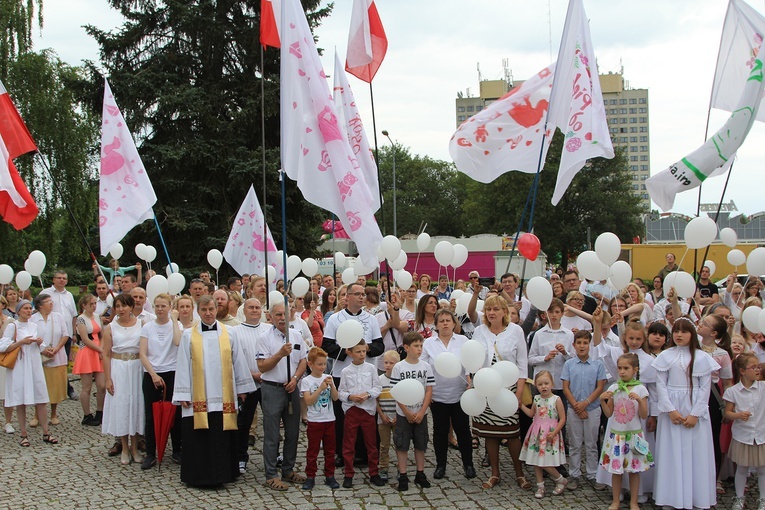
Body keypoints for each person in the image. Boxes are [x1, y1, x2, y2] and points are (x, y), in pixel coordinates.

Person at [173, 295, 256, 486]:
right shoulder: (188, 335)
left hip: (224, 395)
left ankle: (224, 473)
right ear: (198, 311)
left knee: (222, 435)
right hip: (197, 396)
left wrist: (242, 388)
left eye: (211, 309)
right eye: (204, 310)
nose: (208, 313)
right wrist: (183, 394)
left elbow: (238, 361)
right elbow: (183, 364)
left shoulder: (229, 333)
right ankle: (198, 475)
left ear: (216, 309)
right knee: (199, 438)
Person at [652, 317, 719, 510]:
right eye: (676, 331)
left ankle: (696, 497)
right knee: (671, 453)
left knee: (695, 454)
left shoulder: (701, 357)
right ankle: (671, 497)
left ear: (692, 334)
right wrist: (671, 410)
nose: (679, 335)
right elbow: (660, 386)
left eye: (684, 331)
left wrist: (695, 414)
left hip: (693, 410)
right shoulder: (666, 355)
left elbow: (705, 389)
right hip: (671, 411)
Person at [322, 282, 384, 467]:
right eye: (356, 294)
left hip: (366, 374)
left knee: (366, 416)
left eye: (362, 294)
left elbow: (379, 346)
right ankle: (343, 453)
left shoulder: (370, 319)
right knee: (344, 418)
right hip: (344, 373)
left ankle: (366, 454)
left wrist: (366, 348)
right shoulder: (335, 319)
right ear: (347, 296)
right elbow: (327, 346)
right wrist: (347, 351)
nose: (360, 297)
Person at [471, 295, 529, 490]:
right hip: (486, 388)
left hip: (508, 389)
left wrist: (519, 393)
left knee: (512, 433)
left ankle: (519, 473)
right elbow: (473, 360)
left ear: (505, 311)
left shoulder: (516, 331)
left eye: (496, 309)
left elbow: (522, 364)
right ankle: (495, 473)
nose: (492, 312)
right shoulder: (479, 331)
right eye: (488, 309)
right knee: (490, 433)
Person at [255, 301, 307, 491]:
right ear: (271, 316)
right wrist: (279, 354)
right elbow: (262, 366)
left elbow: (303, 360)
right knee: (272, 433)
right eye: (277, 315)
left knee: (293, 432)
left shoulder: (296, 335)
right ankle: (271, 474)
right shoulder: (264, 337)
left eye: (284, 314)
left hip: (292, 388)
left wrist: (295, 378)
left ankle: (288, 469)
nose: (281, 318)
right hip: (272, 388)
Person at [420, 309, 476, 481]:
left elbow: (469, 362)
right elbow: (423, 367)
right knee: (440, 431)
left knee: (463, 430)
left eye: (448, 320)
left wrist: (469, 379)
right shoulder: (429, 343)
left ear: (454, 323)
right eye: (441, 321)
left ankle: (468, 464)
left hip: (460, 393)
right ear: (436, 325)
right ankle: (440, 465)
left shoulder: (462, 340)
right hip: (438, 394)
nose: (445, 323)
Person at [599, 353, 654, 510]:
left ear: (635, 370)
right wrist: (603, 400)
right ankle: (616, 500)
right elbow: (609, 413)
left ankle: (634, 501)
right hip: (617, 436)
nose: (622, 372)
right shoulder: (614, 388)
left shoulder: (640, 389)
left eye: (626, 368)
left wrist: (639, 401)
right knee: (617, 471)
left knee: (633, 470)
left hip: (633, 435)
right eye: (620, 368)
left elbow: (643, 415)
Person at [0, 300, 57, 446]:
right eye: (25, 308)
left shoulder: (34, 326)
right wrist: (22, 342)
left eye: (30, 308)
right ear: (18, 311)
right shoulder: (13, 326)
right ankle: (23, 434)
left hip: (34, 365)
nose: (28, 311)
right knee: (20, 401)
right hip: (19, 366)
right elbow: (3, 347)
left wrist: (43, 347)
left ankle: (46, 432)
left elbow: (40, 347)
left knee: (41, 398)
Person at [138, 293, 182, 469]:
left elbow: (178, 342)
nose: (160, 309)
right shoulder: (148, 327)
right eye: (157, 306)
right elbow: (142, 353)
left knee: (174, 415)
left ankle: (176, 450)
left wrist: (174, 321)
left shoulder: (176, 325)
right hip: (152, 373)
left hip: (172, 372)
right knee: (151, 415)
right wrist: (154, 374)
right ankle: (151, 452)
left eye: (163, 306)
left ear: (170, 307)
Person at [561, 330, 607, 491]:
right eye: (579, 343)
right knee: (574, 443)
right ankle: (574, 474)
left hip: (592, 409)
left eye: (585, 343)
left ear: (590, 345)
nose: (582, 346)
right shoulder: (569, 364)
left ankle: (593, 474)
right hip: (574, 409)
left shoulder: (598, 364)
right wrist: (576, 405)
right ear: (574, 345)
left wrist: (586, 403)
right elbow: (566, 387)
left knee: (591, 442)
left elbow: (600, 387)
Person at [101, 294, 145, 466]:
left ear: (131, 307)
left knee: (135, 404)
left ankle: (135, 447)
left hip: (136, 367)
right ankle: (124, 447)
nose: (121, 310)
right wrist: (108, 378)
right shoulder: (110, 327)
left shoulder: (142, 324)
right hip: (119, 367)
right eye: (118, 306)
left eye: (124, 306)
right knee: (121, 405)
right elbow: (105, 353)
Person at [337, 340, 385, 488]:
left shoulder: (371, 368)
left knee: (371, 443)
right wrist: (351, 397)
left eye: (364, 351)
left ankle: (374, 473)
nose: (362, 354)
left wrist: (368, 395)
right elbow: (341, 392)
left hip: (368, 410)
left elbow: (377, 387)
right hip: (352, 410)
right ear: (350, 353)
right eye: (358, 352)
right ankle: (349, 474)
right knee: (349, 443)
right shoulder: (345, 371)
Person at [390, 332, 434, 491]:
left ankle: (420, 473)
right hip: (403, 413)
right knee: (402, 444)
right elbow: (396, 391)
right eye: (416, 346)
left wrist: (422, 411)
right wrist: (407, 412)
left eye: (421, 346)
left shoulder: (426, 367)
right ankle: (402, 474)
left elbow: (429, 390)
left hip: (421, 412)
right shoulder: (399, 367)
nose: (420, 349)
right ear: (406, 347)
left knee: (421, 443)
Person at [723, 352, 765, 510]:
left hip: (761, 435)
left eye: (758, 366)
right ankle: (739, 497)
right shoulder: (733, 391)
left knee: (762, 469)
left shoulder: (763, 387)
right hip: (743, 436)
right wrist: (738, 415)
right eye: (753, 367)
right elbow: (727, 413)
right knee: (741, 468)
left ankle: (763, 499)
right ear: (742, 371)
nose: (757, 370)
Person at [697, 313, 734, 493]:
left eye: (704, 323)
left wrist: (727, 406)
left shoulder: (723, 354)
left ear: (713, 333)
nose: (700, 324)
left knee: (713, 436)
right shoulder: (693, 346)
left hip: (712, 396)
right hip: (694, 392)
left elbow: (727, 382)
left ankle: (715, 477)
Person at [231, 298, 267, 474]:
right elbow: (235, 358)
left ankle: (272, 456)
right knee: (244, 423)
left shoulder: (269, 329)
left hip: (267, 382)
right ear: (244, 310)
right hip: (247, 384)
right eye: (251, 307)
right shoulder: (235, 331)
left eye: (257, 307)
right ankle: (240, 457)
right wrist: (251, 375)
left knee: (271, 422)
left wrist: (264, 374)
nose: (254, 310)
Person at [519, 370, 568, 498]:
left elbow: (562, 418)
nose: (544, 386)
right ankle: (540, 485)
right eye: (540, 384)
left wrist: (555, 432)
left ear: (552, 383)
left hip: (550, 434)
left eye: (546, 383)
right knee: (537, 461)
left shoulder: (556, 399)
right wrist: (521, 406)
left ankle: (560, 479)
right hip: (536, 433)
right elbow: (531, 414)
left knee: (546, 462)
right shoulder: (536, 399)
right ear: (536, 385)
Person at [300, 347, 339, 490]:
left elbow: (335, 398)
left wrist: (332, 385)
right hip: (315, 420)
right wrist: (320, 389)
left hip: (329, 419)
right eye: (319, 364)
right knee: (313, 450)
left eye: (324, 364)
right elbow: (308, 401)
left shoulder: (328, 377)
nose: (322, 367)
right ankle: (310, 476)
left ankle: (330, 475)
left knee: (330, 450)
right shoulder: (307, 381)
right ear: (310, 364)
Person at [30, 293, 69, 427]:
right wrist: (43, 349)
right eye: (48, 302)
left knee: (55, 385)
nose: (51, 303)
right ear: (40, 305)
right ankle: (37, 414)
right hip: (39, 355)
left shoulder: (58, 317)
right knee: (39, 385)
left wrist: (57, 348)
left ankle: (53, 413)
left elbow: (65, 334)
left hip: (56, 355)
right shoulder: (33, 319)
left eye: (51, 301)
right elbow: (32, 336)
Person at [73, 294, 106, 426]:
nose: (94, 306)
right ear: (84, 305)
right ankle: (87, 414)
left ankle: (100, 411)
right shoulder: (81, 319)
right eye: (91, 304)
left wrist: (102, 348)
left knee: (101, 385)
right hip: (87, 351)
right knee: (86, 387)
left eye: (95, 304)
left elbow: (102, 335)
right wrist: (99, 349)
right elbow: (85, 339)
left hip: (98, 349)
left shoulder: (98, 317)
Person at [44, 271, 77, 400]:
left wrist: (73, 333)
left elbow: (73, 315)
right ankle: (62, 389)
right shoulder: (46, 293)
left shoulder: (69, 295)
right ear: (54, 279)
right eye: (59, 278)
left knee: (63, 364)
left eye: (64, 278)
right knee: (49, 362)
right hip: (51, 335)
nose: (61, 280)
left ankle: (64, 389)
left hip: (66, 334)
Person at [377, 350, 399, 482]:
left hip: (397, 418)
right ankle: (383, 467)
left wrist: (399, 416)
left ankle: (400, 468)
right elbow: (376, 400)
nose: (388, 365)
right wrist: (381, 415)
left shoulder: (400, 380)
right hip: (383, 418)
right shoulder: (379, 380)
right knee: (384, 445)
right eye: (386, 362)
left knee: (399, 444)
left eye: (391, 363)